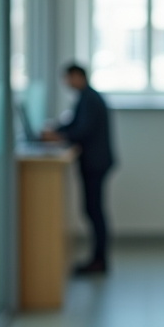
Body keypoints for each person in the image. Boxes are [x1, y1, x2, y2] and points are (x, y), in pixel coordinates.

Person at [43, 63, 115, 275]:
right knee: (92, 210)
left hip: (95, 163)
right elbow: (74, 124)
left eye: (68, 78)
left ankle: (99, 260)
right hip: (95, 162)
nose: (66, 83)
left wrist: (57, 136)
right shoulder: (86, 97)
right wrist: (55, 130)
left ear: (78, 76)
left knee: (94, 211)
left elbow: (82, 130)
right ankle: (98, 259)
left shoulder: (89, 99)